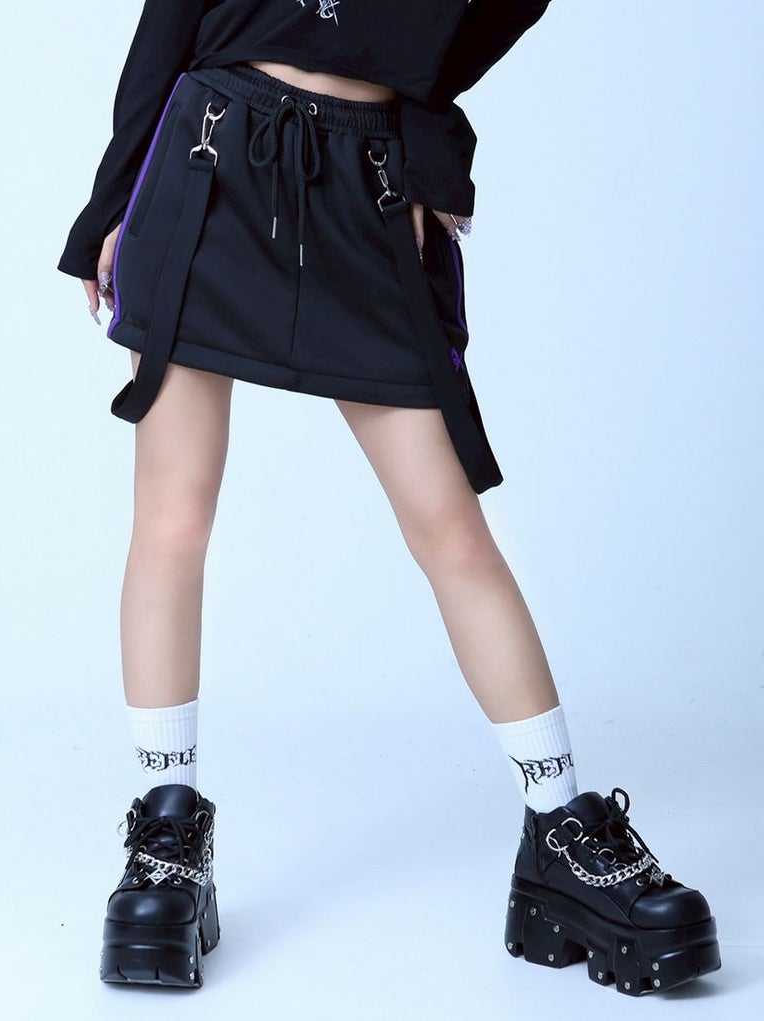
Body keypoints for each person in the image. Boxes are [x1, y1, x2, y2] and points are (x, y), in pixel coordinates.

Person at [57, 0, 720, 996]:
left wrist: (424, 145)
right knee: (172, 518)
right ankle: (166, 838)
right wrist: (110, 204)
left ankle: (559, 831)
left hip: (363, 182)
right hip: (210, 158)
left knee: (451, 527)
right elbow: (172, 15)